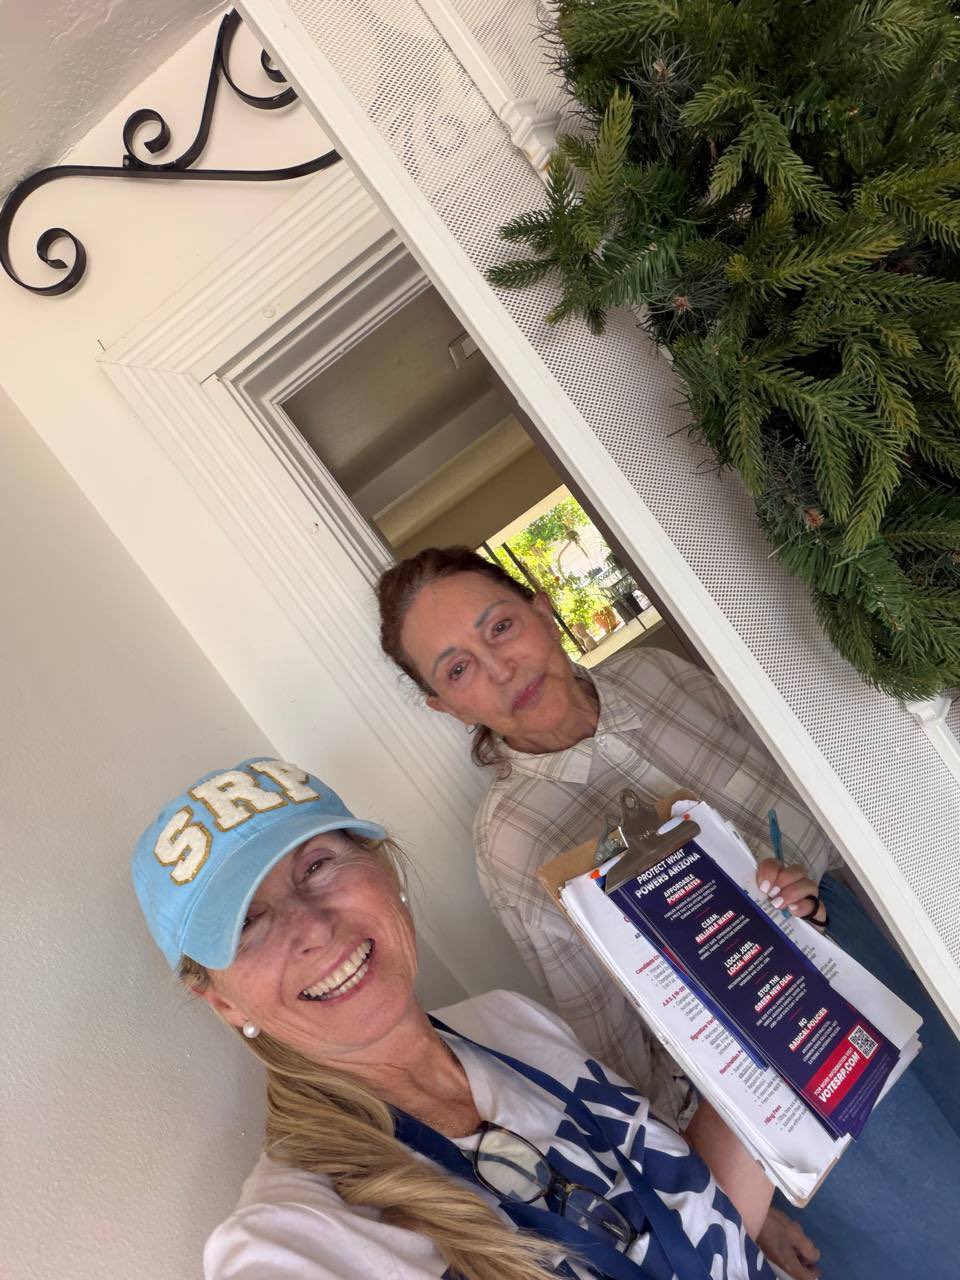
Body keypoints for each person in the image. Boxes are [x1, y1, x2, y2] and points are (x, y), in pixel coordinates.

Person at [376, 546, 960, 1280]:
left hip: (884, 926)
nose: (499, 668)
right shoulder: (513, 844)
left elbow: (808, 774)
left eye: (500, 627)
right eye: (458, 668)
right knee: (942, 1236)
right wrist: (736, 1205)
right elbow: (614, 1043)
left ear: (542, 609)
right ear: (446, 706)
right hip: (777, 1054)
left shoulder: (656, 675)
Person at [133, 758, 780, 1280]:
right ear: (222, 1002)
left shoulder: (508, 1021)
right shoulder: (286, 1242)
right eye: (248, 923)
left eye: (318, 866)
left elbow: (700, 1226)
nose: (313, 928)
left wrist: (771, 996)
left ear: (384, 870)